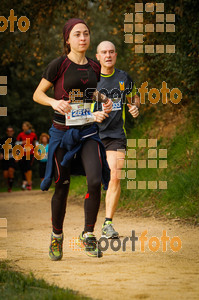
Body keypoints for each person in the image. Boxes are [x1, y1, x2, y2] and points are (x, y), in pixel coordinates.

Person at [33, 18, 112, 260]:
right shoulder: (58, 65)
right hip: (62, 134)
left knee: (95, 180)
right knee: (62, 185)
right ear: (68, 39)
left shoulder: (94, 66)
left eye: (86, 34)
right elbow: (38, 94)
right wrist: (54, 102)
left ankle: (88, 234)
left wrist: (103, 100)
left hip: (88, 132)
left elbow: (90, 92)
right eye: (77, 34)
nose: (82, 38)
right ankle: (57, 237)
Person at [94, 41, 140, 239]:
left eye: (111, 51)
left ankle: (107, 223)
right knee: (94, 181)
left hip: (115, 136)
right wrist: (94, 114)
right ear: (97, 56)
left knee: (115, 174)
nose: (108, 55)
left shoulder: (123, 77)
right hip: (92, 135)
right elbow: (77, 105)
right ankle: (89, 224)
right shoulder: (90, 79)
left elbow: (135, 95)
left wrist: (135, 106)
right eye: (104, 52)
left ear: (116, 54)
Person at [16, 121, 37, 190]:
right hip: (23, 154)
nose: (23, 127)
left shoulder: (33, 135)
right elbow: (16, 144)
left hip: (30, 153)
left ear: (28, 127)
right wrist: (22, 142)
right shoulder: (20, 135)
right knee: (24, 169)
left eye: (24, 126)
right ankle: (28, 182)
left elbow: (35, 144)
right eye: (23, 126)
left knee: (29, 167)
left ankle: (28, 183)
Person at [0, 126, 16, 192]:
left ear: (13, 132)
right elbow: (0, 148)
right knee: (6, 174)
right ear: (7, 132)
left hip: (12, 158)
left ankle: (10, 188)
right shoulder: (3, 140)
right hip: (5, 158)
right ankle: (8, 185)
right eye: (8, 131)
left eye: (11, 131)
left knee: (11, 171)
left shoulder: (15, 140)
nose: (10, 132)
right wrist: (0, 154)